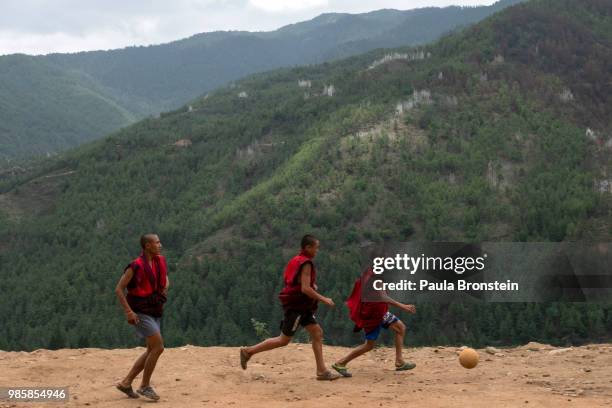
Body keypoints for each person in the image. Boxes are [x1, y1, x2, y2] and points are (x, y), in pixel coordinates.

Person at [240, 235, 340, 381]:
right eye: (315, 247)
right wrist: (324, 299)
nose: (317, 250)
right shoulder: (306, 263)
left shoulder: (296, 260)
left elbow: (293, 280)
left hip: (303, 306)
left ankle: (322, 371)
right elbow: (305, 289)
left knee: (317, 332)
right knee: (283, 340)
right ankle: (248, 352)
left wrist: (311, 286)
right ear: (308, 247)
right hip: (297, 307)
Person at [331, 267, 416, 377]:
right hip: (375, 315)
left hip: (378, 312)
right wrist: (403, 306)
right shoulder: (376, 276)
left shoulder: (370, 272)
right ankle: (340, 363)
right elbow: (382, 297)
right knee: (369, 345)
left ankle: (399, 361)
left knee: (400, 328)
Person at [115, 234, 169, 400]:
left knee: (151, 349)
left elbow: (165, 279)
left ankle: (126, 382)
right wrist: (129, 312)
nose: (160, 245)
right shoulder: (135, 266)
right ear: (147, 246)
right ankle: (145, 386)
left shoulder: (159, 261)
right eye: (157, 242)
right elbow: (119, 289)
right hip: (140, 311)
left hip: (154, 308)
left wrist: (164, 288)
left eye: (160, 241)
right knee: (158, 347)